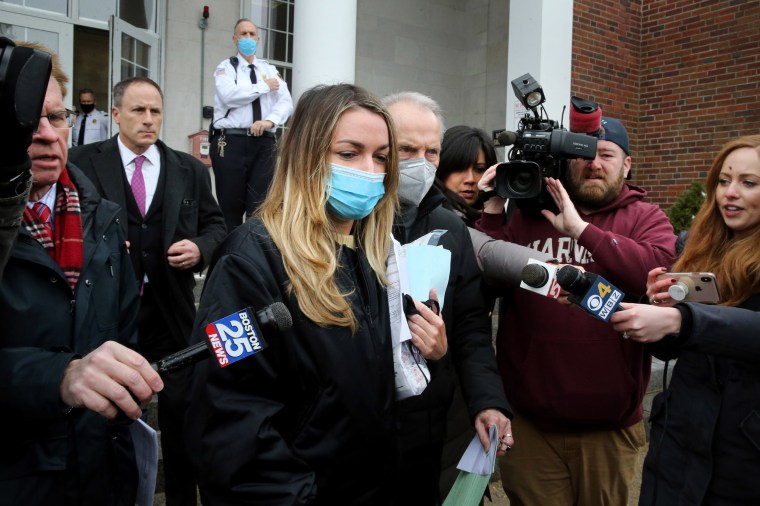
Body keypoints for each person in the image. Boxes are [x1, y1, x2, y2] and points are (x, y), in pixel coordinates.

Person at [185, 83, 401, 504]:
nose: (370, 171)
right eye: (348, 153)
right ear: (308, 156)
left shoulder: (369, 255)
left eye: (381, 157)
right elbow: (228, 417)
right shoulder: (247, 261)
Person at [476, 115, 677, 506]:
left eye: (606, 155)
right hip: (532, 425)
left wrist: (582, 230)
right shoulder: (530, 215)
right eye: (583, 155)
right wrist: (496, 207)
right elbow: (485, 275)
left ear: (627, 164)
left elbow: (654, 270)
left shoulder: (645, 218)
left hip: (610, 429)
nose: (594, 164)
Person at [0, 42, 164, 506]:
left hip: (101, 473)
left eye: (56, 117)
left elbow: (124, 332)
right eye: (27, 120)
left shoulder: (106, 219)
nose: (47, 134)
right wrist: (59, 377)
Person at [69, 76, 226, 506]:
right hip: (108, 315)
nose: (148, 119)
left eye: (155, 111)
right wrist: (95, 242)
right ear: (116, 114)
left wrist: (200, 247)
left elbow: (216, 226)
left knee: (180, 417)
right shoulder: (80, 161)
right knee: (106, 415)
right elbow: (67, 220)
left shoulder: (189, 170)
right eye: (138, 110)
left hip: (171, 313)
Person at [611, 134, 760, 505]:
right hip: (677, 450)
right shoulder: (696, 247)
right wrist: (655, 305)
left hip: (745, 459)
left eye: (749, 183)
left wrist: (682, 321)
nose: (731, 193)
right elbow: (669, 346)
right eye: (724, 181)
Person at [383, 91, 513, 505]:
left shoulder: (449, 227)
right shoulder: (348, 221)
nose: (421, 162)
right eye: (407, 149)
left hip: (430, 429)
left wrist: (488, 400)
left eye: (432, 151)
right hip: (362, 426)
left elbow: (472, 328)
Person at [209, 17, 294, 231]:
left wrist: (269, 121)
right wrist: (263, 87)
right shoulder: (226, 68)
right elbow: (229, 96)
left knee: (260, 207)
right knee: (230, 208)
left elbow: (286, 102)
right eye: (243, 34)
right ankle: (229, 258)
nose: (248, 38)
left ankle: (252, 258)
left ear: (258, 38)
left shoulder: (270, 70)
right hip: (231, 141)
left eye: (251, 34)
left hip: (263, 143)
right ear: (235, 39)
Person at [435, 125, 497, 226]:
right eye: (459, 169)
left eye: (479, 169)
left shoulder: (495, 211)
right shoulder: (430, 218)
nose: (470, 179)